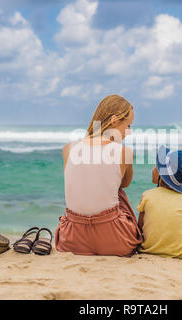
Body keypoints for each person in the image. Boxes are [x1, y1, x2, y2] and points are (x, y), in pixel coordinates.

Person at [55, 94, 142, 257]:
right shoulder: (124, 152)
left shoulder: (69, 149)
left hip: (71, 240)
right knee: (119, 193)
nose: (128, 133)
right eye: (128, 126)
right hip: (114, 240)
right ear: (114, 120)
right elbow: (124, 184)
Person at [137, 145, 182, 259]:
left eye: (156, 167)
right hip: (179, 253)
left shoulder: (147, 195)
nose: (153, 169)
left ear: (161, 176)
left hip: (148, 250)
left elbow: (140, 227)